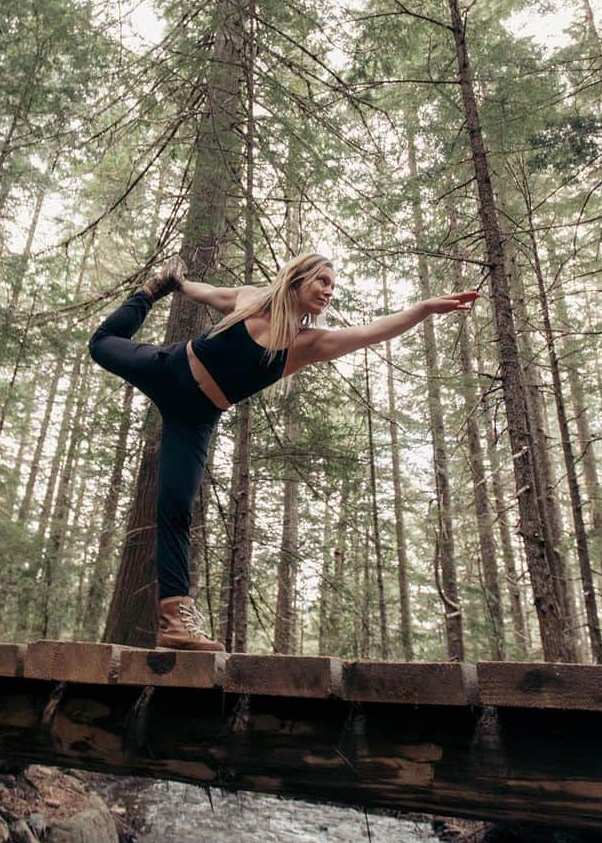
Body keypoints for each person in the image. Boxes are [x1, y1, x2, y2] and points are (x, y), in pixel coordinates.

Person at [88, 252, 479, 652]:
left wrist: (424, 308)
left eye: (333, 285)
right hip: (169, 367)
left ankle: (174, 621)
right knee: (100, 345)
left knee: (175, 509)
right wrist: (174, 285)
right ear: (298, 278)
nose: (329, 291)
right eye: (323, 281)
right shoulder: (250, 299)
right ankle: (147, 292)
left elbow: (374, 331)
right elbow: (206, 293)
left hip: (194, 419)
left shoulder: (306, 344)